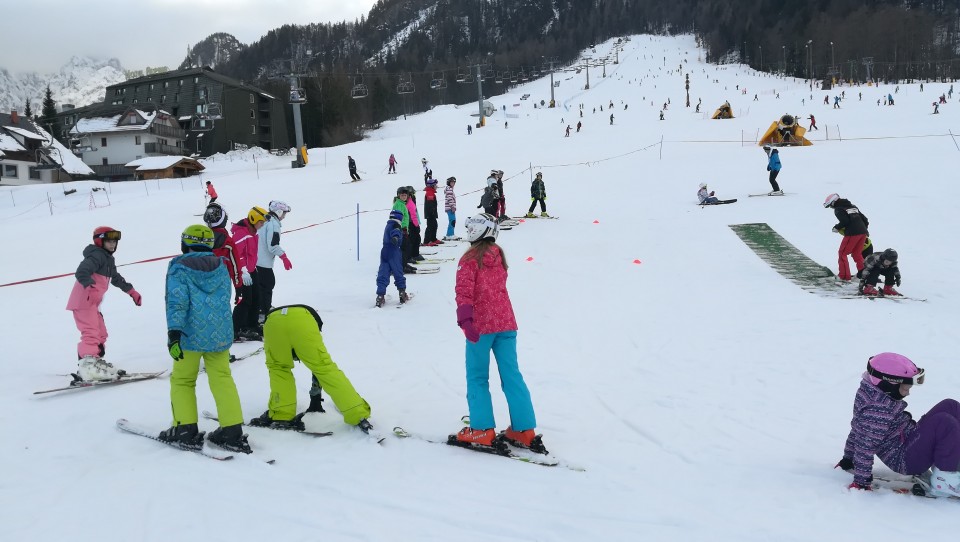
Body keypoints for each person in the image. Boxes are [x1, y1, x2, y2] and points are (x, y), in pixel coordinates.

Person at [453, 214, 544, 452]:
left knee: (477, 377)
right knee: (512, 376)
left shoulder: (469, 259)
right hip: (506, 324)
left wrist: (465, 321)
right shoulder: (498, 256)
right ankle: (524, 430)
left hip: (481, 328)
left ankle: (482, 429)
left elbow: (464, 292)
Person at [159, 225, 250, 453]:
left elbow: (177, 302)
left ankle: (185, 430)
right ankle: (232, 432)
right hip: (219, 334)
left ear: (185, 243)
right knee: (222, 378)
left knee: (183, 380)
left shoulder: (178, 267)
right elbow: (224, 298)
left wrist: (174, 334)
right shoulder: (220, 265)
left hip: (189, 336)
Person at [837, 352, 960, 498]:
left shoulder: (874, 391)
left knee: (950, 406)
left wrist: (847, 460)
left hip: (907, 440)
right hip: (905, 459)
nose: (907, 393)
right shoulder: (876, 409)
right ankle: (945, 481)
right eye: (905, 388)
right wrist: (861, 482)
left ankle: (953, 457)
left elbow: (857, 428)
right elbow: (865, 444)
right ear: (888, 384)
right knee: (944, 423)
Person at [251, 304, 376, 436]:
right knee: (324, 368)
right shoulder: (311, 320)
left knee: (279, 368)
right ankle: (357, 413)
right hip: (303, 320)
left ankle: (281, 414)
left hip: (273, 322)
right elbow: (315, 369)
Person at [66, 226, 142, 380]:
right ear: (100, 241)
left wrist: (131, 291)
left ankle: (94, 363)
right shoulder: (96, 256)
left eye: (114, 242)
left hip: (92, 303)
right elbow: (81, 271)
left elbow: (116, 278)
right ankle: (87, 368)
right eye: (109, 241)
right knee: (91, 334)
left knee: (101, 334)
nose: (113, 245)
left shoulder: (107, 259)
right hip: (84, 301)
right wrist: (91, 286)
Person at [231, 207, 266, 341]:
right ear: (253, 219)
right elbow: (237, 255)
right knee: (245, 300)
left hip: (251, 270)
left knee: (257, 298)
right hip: (242, 272)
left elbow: (251, 254)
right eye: (261, 222)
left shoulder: (253, 232)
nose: (262, 225)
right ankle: (237, 328)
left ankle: (252, 325)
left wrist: (252, 268)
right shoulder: (241, 233)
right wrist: (243, 271)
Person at [256, 201, 293, 323]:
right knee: (268, 284)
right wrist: (284, 257)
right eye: (284, 214)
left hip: (257, 260)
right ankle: (263, 312)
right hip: (263, 261)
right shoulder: (273, 224)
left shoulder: (265, 220)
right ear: (279, 212)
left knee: (263, 285)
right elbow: (272, 245)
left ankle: (263, 308)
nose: (284, 217)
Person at [824, 193, 869, 281]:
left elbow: (845, 221)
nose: (831, 208)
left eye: (830, 206)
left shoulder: (838, 209)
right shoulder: (852, 206)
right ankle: (865, 275)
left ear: (833, 202)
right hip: (863, 232)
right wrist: (862, 229)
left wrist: (836, 227)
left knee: (842, 253)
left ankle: (844, 276)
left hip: (853, 233)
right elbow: (865, 220)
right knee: (857, 253)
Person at [203, 203, 242, 298]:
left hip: (202, 283)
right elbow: (234, 265)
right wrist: (238, 287)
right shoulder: (227, 241)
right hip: (221, 284)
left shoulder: (201, 237)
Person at [375, 211, 408, 308]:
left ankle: (380, 296)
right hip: (393, 251)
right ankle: (402, 293)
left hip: (384, 251)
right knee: (398, 272)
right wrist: (396, 238)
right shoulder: (396, 225)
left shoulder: (388, 225)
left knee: (383, 273)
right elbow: (396, 232)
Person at [392, 187, 415, 273]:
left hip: (404, 229)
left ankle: (404, 264)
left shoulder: (402, 204)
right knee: (405, 248)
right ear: (398, 195)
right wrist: (401, 228)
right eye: (402, 195)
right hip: (401, 229)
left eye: (405, 195)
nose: (404, 197)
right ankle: (402, 266)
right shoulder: (399, 205)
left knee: (406, 247)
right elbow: (397, 218)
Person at [405, 186, 424, 262]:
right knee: (414, 239)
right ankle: (413, 255)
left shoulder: (411, 200)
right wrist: (416, 225)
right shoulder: (409, 202)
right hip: (411, 223)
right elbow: (413, 214)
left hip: (411, 223)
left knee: (415, 239)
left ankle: (414, 254)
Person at [422, 177, 441, 246]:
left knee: (434, 225)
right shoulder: (430, 193)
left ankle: (433, 238)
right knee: (430, 226)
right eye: (435, 185)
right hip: (430, 214)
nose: (436, 187)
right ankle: (426, 241)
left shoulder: (431, 192)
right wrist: (432, 213)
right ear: (432, 186)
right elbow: (430, 205)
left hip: (432, 213)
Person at [443, 177, 459, 241]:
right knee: (452, 221)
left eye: (454, 182)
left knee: (452, 221)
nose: (453, 184)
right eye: (452, 182)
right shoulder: (449, 189)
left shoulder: (449, 189)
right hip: (450, 208)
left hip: (449, 208)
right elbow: (450, 199)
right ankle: (450, 234)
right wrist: (452, 206)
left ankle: (449, 234)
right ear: (449, 183)